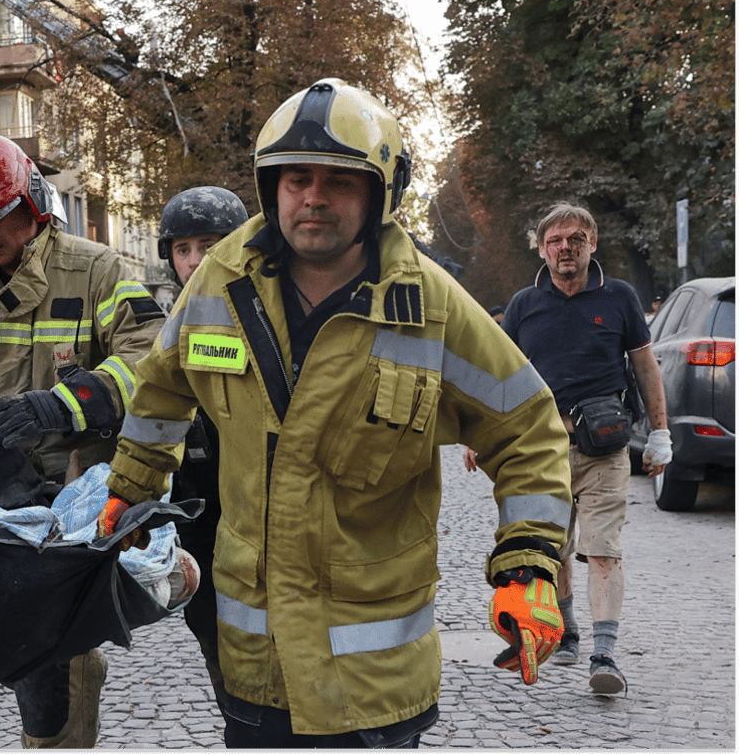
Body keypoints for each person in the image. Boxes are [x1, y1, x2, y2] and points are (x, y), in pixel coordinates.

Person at [95, 78, 574, 748]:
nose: (312, 197)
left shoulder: (430, 308)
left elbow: (526, 427)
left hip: (374, 685)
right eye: (296, 178)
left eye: (338, 181)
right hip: (253, 671)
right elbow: (162, 390)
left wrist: (527, 564)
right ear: (272, 187)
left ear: (381, 193)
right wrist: (130, 487)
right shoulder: (219, 283)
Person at [0, 132, 164, 748]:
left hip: (70, 512)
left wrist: (60, 406)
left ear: (30, 201)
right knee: (22, 662)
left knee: (57, 673)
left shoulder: (97, 270)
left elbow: (151, 361)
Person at [468, 202, 670, 696]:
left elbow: (646, 369)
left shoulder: (619, 297)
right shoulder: (523, 305)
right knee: (551, 549)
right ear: (542, 248)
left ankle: (604, 655)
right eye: (556, 240)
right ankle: (568, 629)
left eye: (576, 239)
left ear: (591, 244)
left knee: (603, 551)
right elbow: (499, 373)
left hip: (605, 449)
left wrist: (661, 433)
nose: (566, 248)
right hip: (542, 453)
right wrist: (479, 433)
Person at [154, 186, 250, 703]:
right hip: (198, 521)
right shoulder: (167, 328)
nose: (194, 262)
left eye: (209, 247)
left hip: (265, 517)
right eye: (182, 249)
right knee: (215, 640)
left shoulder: (273, 318)